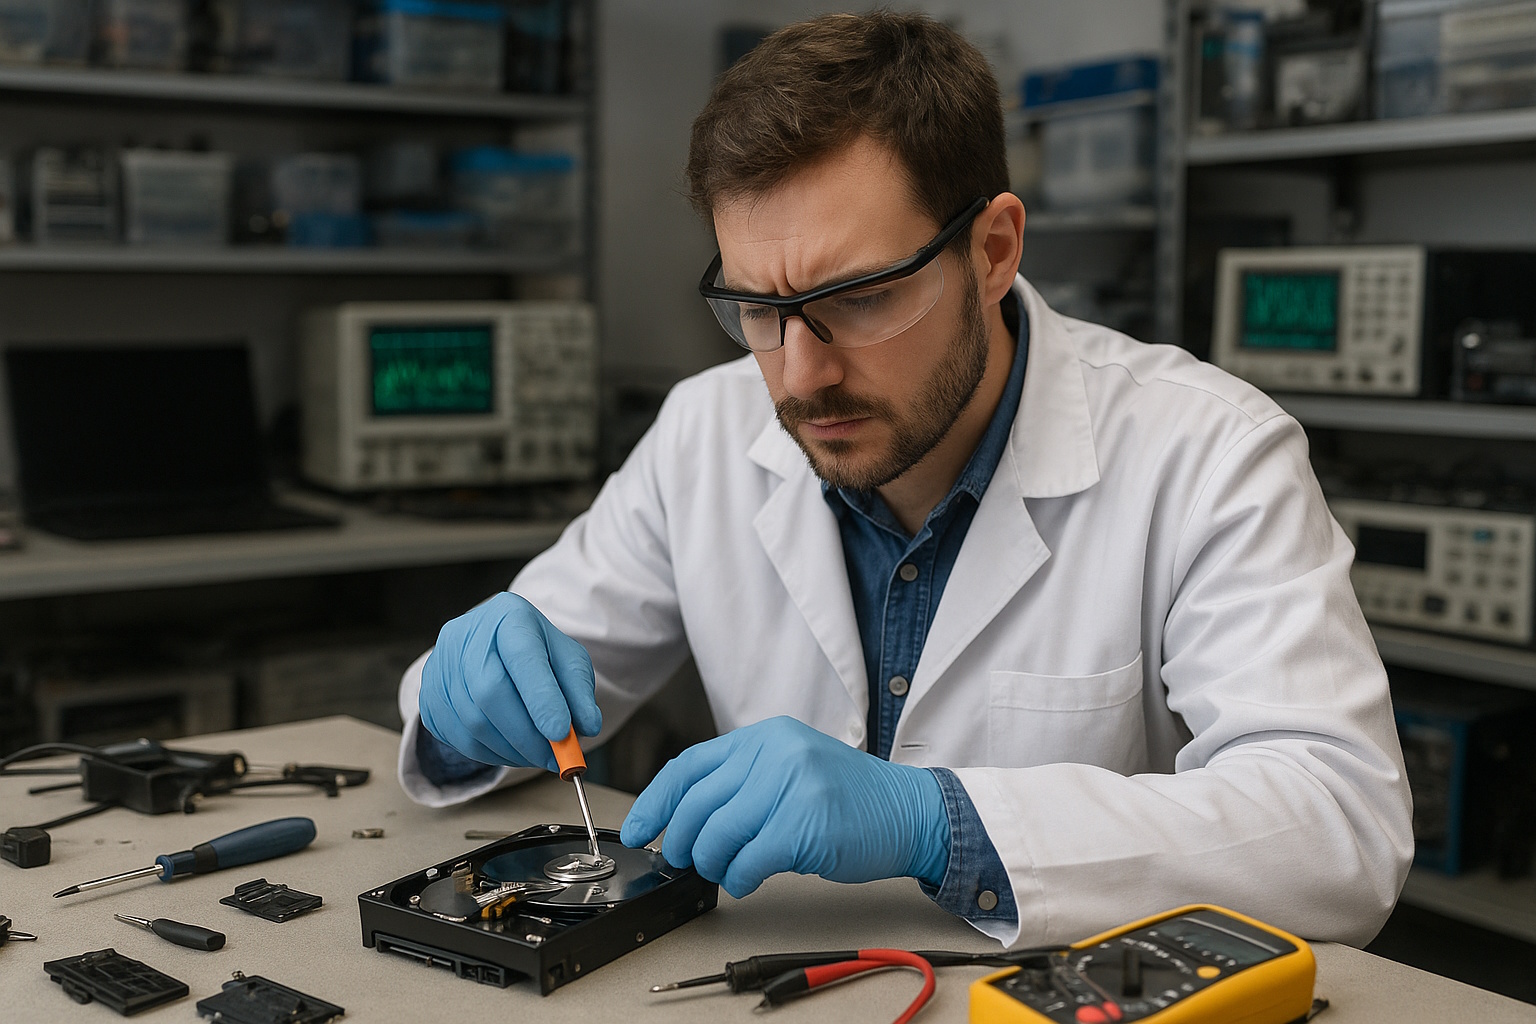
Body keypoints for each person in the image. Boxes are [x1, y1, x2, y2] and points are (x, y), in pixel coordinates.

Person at [397, 11, 1412, 948]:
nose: (800, 376)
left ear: (992, 250)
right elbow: (514, 699)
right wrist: (456, 709)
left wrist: (941, 821)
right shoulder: (704, 433)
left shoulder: (1208, 452)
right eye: (756, 308)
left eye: (862, 297)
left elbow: (1338, 828)